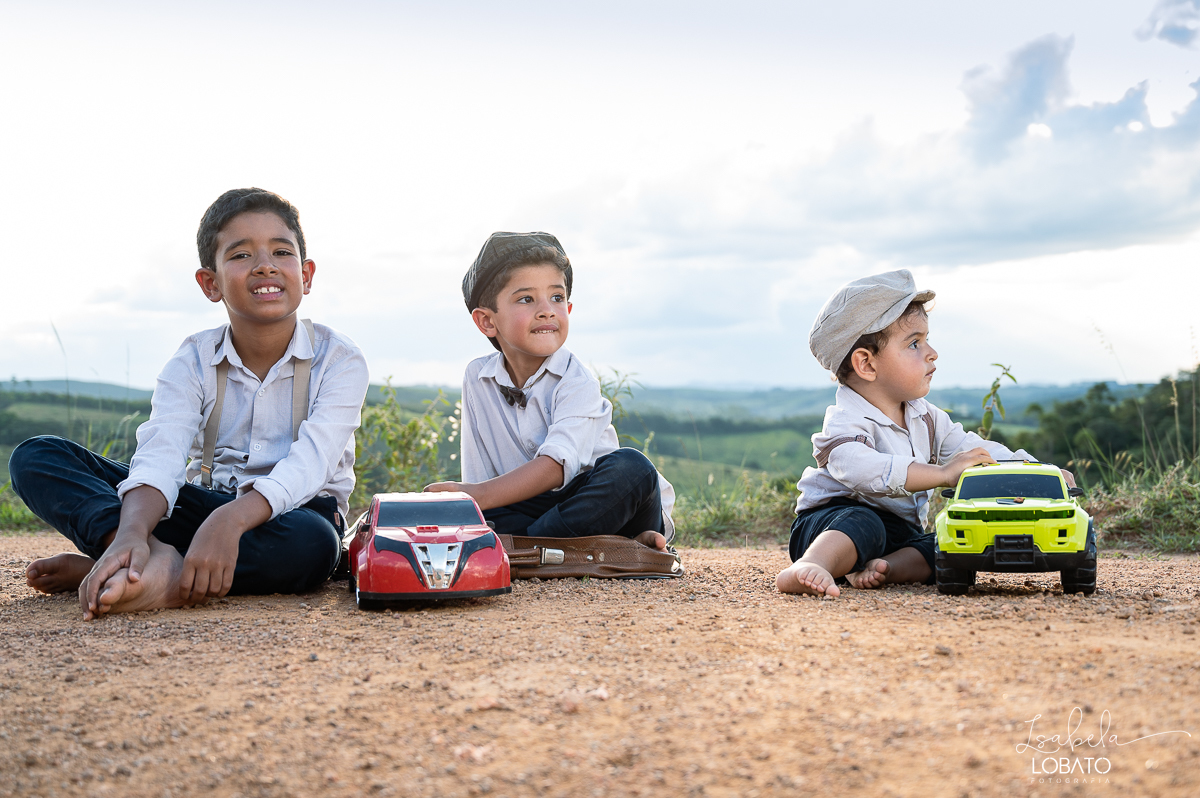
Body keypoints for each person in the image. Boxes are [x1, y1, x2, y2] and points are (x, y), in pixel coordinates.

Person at [11, 188, 369, 619]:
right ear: (210, 283)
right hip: (200, 505)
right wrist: (129, 532)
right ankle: (128, 554)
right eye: (240, 255)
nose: (264, 265)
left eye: (281, 251)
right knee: (37, 456)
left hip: (293, 517)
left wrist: (231, 521)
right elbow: (160, 455)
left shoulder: (340, 359)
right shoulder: (192, 359)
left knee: (313, 547)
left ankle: (163, 577)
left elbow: (312, 464)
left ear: (306, 275)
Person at [776, 269, 1074, 597]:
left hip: (898, 534)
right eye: (914, 343)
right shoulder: (847, 420)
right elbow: (861, 469)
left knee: (949, 543)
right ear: (867, 365)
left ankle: (884, 570)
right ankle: (811, 565)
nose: (931, 353)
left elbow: (974, 449)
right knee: (864, 523)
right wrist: (942, 474)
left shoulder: (926, 417)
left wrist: (1038, 472)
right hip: (830, 522)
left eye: (927, 339)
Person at [424, 231, 675, 549]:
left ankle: (527, 546)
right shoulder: (478, 376)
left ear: (568, 308)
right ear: (487, 321)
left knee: (633, 468)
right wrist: (471, 500)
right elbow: (480, 479)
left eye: (556, 297)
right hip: (536, 509)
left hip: (607, 503)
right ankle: (604, 545)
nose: (547, 310)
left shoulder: (576, 380)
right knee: (472, 509)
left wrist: (479, 495)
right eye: (527, 299)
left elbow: (557, 467)